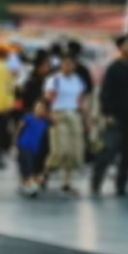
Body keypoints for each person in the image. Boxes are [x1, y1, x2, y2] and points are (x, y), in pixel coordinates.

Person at [91, 35, 128, 196]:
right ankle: (96, 182)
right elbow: (105, 93)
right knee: (109, 150)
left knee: (127, 152)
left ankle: (121, 185)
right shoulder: (113, 68)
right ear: (121, 47)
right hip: (116, 116)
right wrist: (108, 113)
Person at [42, 53, 87, 196]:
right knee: (59, 150)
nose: (68, 66)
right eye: (66, 64)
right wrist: (49, 115)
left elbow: (81, 100)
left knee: (73, 151)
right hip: (58, 115)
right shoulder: (54, 80)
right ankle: (44, 175)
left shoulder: (77, 80)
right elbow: (47, 99)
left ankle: (67, 182)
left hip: (74, 114)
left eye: (71, 64)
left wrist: (86, 119)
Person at [14, 99, 52, 197]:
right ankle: (29, 185)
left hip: (36, 149)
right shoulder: (28, 118)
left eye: (41, 108)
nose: (38, 109)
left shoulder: (46, 121)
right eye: (37, 107)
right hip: (24, 146)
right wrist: (15, 141)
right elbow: (19, 128)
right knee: (26, 168)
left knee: (34, 169)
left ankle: (29, 183)